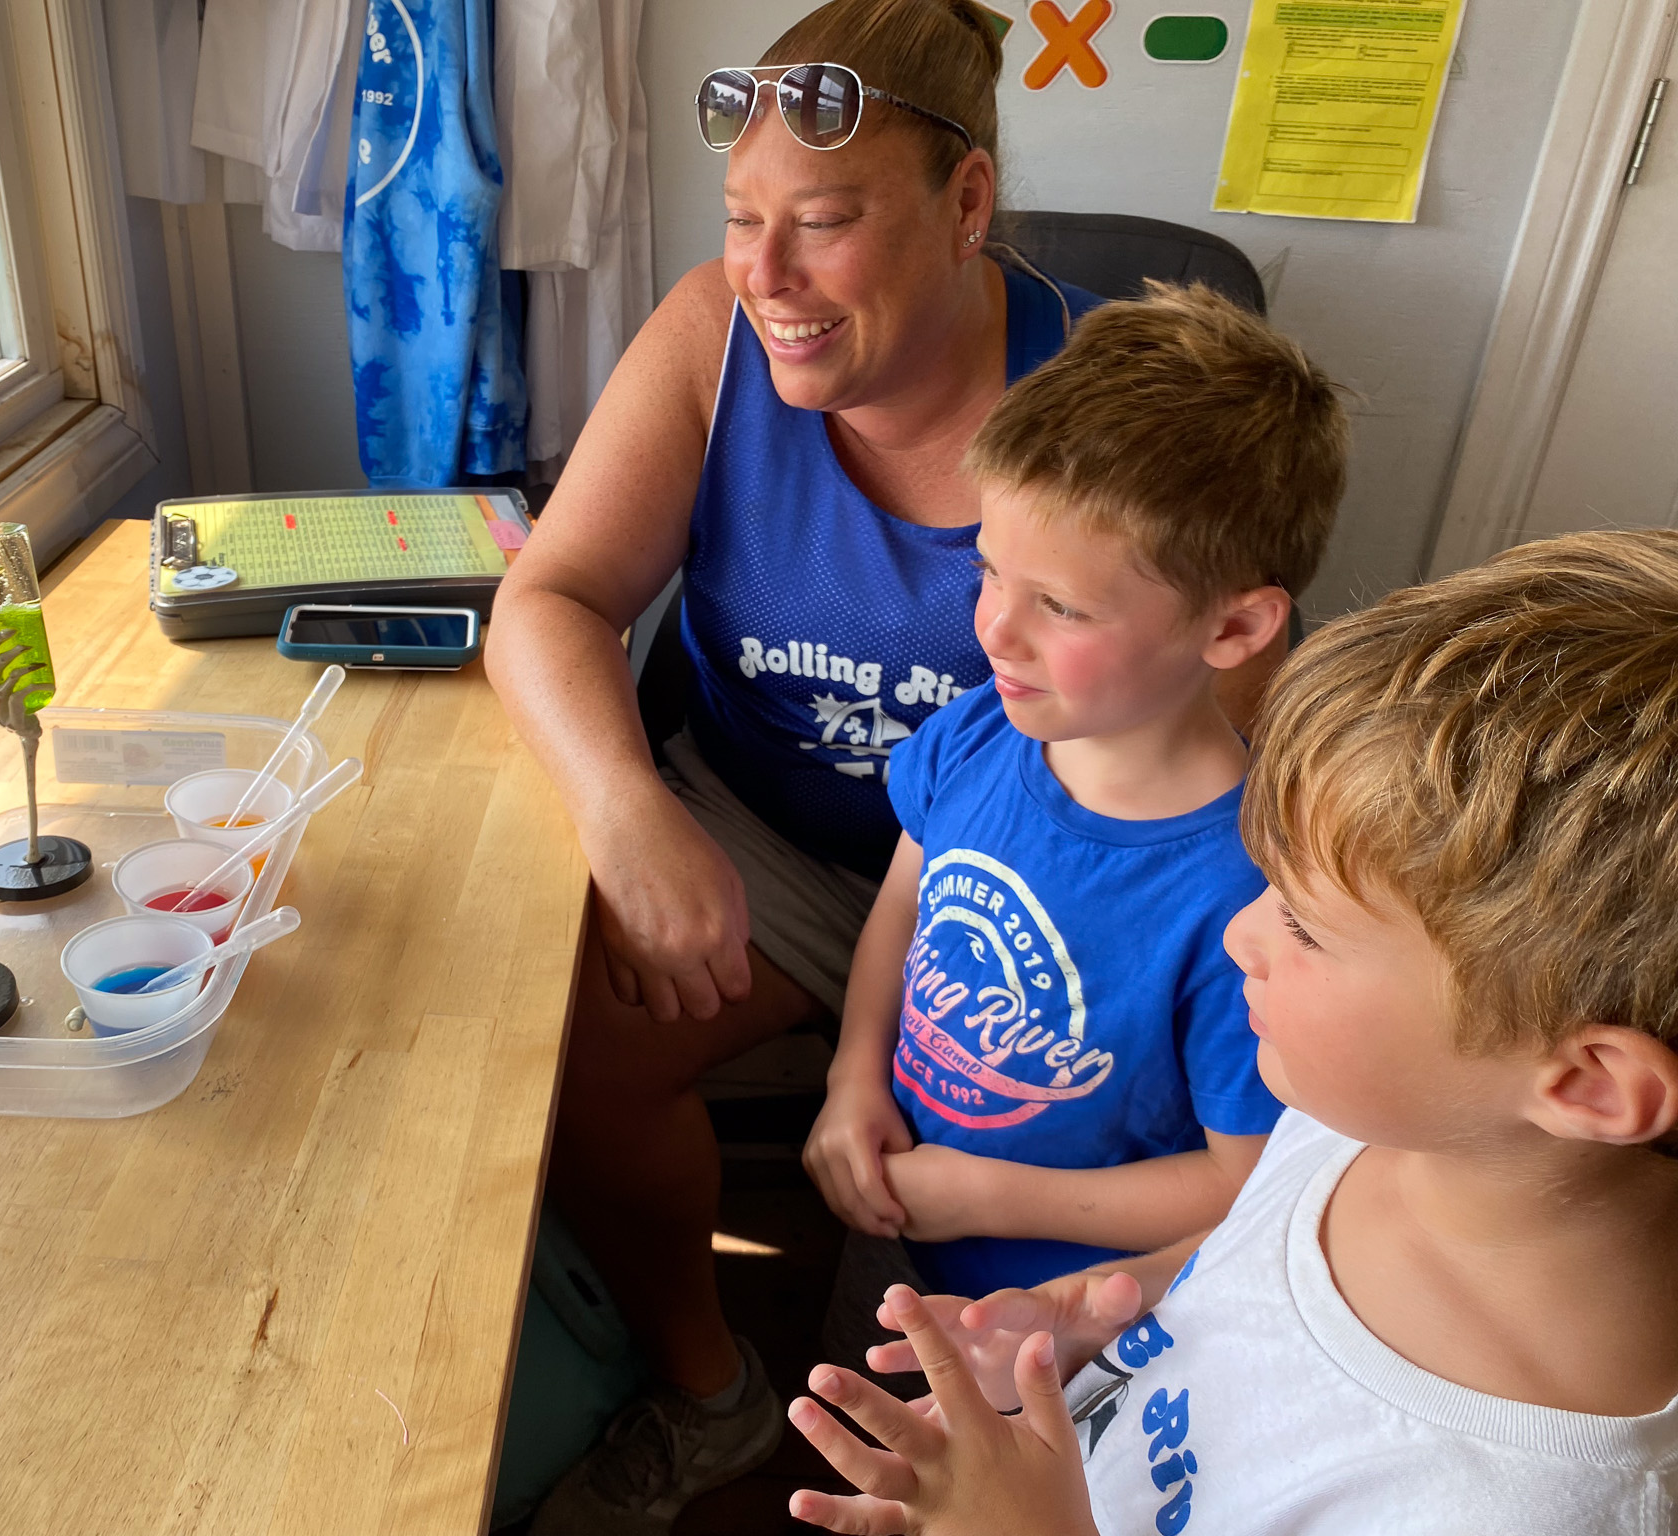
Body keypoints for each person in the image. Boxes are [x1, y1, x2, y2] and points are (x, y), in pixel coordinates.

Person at [485, 1, 1138, 1527]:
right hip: (767, 831)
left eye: (826, 223)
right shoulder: (709, 333)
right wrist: (626, 813)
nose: (765, 275)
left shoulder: (1117, 394)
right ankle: (707, 1393)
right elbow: (552, 598)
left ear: (966, 203)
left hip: (1019, 870)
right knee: (568, 1056)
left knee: (1000, 1199)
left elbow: (1221, 728)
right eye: (742, 220)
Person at [782, 529, 1678, 1535]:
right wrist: (1101, 1312)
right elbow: (1263, 1262)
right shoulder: (1375, 1121)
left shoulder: (1520, 1508)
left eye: (1306, 926)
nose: (1240, 932)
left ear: (1588, 1085)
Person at [804, 285, 1348, 1332]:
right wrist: (851, 1076)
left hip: (1067, 1321)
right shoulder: (979, 732)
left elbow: (1244, 1181)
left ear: (1234, 630)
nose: (994, 631)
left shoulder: (1251, 897)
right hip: (894, 1219)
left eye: (1058, 605)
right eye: (990, 573)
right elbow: (901, 914)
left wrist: (986, 1197)